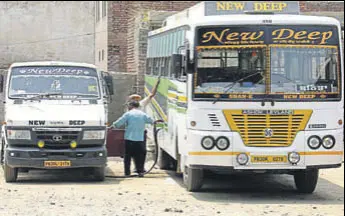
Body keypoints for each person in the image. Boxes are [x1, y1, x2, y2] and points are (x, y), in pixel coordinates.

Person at [126, 78, 161, 173]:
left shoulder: (141, 104)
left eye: (136, 99)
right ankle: (135, 167)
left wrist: (156, 84)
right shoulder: (128, 109)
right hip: (131, 133)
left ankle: (140, 167)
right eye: (133, 99)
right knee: (132, 152)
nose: (136, 100)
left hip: (141, 132)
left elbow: (151, 95)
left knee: (142, 151)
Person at [111, 100, 154, 177]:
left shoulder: (128, 114)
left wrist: (112, 126)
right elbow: (152, 121)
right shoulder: (143, 114)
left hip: (129, 139)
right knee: (140, 156)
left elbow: (119, 122)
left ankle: (127, 173)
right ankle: (140, 172)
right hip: (140, 139)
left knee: (127, 157)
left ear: (131, 106)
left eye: (128, 106)